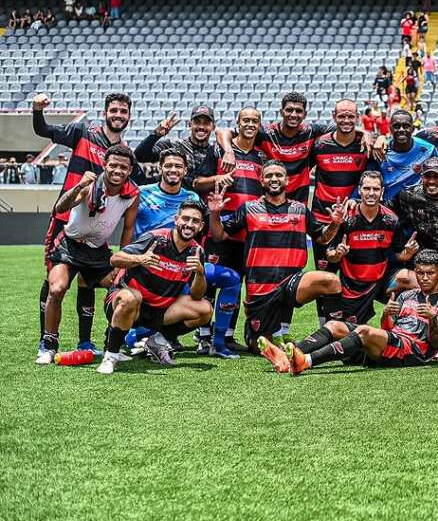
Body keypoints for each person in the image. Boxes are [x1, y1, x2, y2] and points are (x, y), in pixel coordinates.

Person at [32, 91, 137, 355]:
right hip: (65, 219)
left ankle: (85, 341)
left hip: (94, 228)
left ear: (129, 117)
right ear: (105, 113)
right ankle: (46, 340)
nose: (118, 115)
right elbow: (43, 130)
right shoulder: (83, 132)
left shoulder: (123, 154)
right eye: (114, 110)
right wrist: (37, 110)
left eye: (123, 111)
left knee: (87, 280)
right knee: (55, 282)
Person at [206, 160, 345, 350]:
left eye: (278, 175)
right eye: (269, 175)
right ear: (262, 181)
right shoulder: (248, 208)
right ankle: (261, 332)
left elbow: (322, 238)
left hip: (291, 282)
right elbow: (219, 235)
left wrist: (335, 223)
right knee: (261, 346)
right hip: (260, 289)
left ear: (287, 180)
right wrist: (215, 214)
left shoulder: (300, 210)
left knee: (331, 281)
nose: (274, 179)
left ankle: (335, 336)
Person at [261, 249, 438, 374]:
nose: (424, 278)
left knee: (363, 331)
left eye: (430, 273)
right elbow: (388, 330)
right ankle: (286, 357)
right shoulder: (407, 295)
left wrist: (432, 319)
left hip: (413, 352)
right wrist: (386, 314)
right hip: (394, 343)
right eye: (420, 273)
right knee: (334, 325)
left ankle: (305, 361)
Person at [102, 201, 213, 373]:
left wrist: (199, 273)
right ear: (176, 219)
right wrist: (140, 259)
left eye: (195, 221)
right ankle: (110, 355)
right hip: (126, 302)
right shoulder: (155, 238)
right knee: (131, 298)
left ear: (201, 226)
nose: (189, 224)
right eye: (186, 219)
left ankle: (158, 340)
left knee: (204, 309)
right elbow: (114, 259)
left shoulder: (196, 252)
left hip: (158, 311)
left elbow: (197, 295)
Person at [194, 107, 264, 355]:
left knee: (236, 282)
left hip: (246, 233)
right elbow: (197, 182)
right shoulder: (219, 151)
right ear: (238, 123)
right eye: (246, 120)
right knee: (210, 281)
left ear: (259, 125)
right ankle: (203, 336)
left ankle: (226, 334)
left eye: (255, 121)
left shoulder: (261, 156)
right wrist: (216, 179)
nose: (250, 124)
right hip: (219, 228)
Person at [317, 171, 420, 326]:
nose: (371, 193)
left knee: (416, 280)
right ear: (359, 190)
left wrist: (408, 252)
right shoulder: (346, 218)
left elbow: (401, 256)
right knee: (346, 335)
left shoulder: (391, 220)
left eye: (376, 189)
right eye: (367, 188)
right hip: (353, 286)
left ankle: (407, 326)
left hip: (381, 281)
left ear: (382, 192)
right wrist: (338, 254)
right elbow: (329, 255)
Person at [307, 99, 371, 320]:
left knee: (353, 273)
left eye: (350, 116)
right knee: (324, 275)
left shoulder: (365, 146)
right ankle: (325, 324)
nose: (346, 120)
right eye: (342, 116)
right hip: (322, 220)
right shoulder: (319, 145)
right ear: (334, 117)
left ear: (357, 118)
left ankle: (351, 322)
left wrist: (373, 135)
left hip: (353, 221)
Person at [134, 105, 219, 188]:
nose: (201, 127)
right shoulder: (173, 145)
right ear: (189, 125)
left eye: (206, 123)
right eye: (197, 122)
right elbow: (139, 156)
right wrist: (156, 135)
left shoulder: (215, 154)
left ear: (213, 127)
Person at [373, 110, 437, 202]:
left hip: (418, 204)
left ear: (413, 129)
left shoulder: (429, 150)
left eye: (406, 126)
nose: (401, 130)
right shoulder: (381, 150)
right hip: (388, 205)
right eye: (396, 126)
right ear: (390, 129)